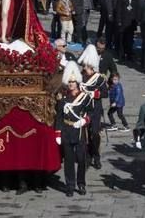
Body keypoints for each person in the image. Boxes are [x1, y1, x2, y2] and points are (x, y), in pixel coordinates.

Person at [55, 62, 93, 197]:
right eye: (69, 82)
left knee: (81, 159)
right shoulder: (63, 99)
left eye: (73, 82)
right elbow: (59, 117)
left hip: (80, 132)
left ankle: (81, 183)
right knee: (69, 161)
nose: (71, 84)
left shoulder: (85, 97)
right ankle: (70, 185)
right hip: (66, 130)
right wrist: (58, 133)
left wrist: (85, 120)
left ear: (77, 82)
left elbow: (91, 113)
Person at [78, 44, 107, 169]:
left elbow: (105, 93)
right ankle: (87, 156)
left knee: (94, 133)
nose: (85, 68)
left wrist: (94, 93)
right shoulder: (80, 76)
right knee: (84, 135)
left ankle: (96, 155)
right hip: (84, 109)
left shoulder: (99, 79)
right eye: (85, 65)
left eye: (87, 66)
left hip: (95, 109)